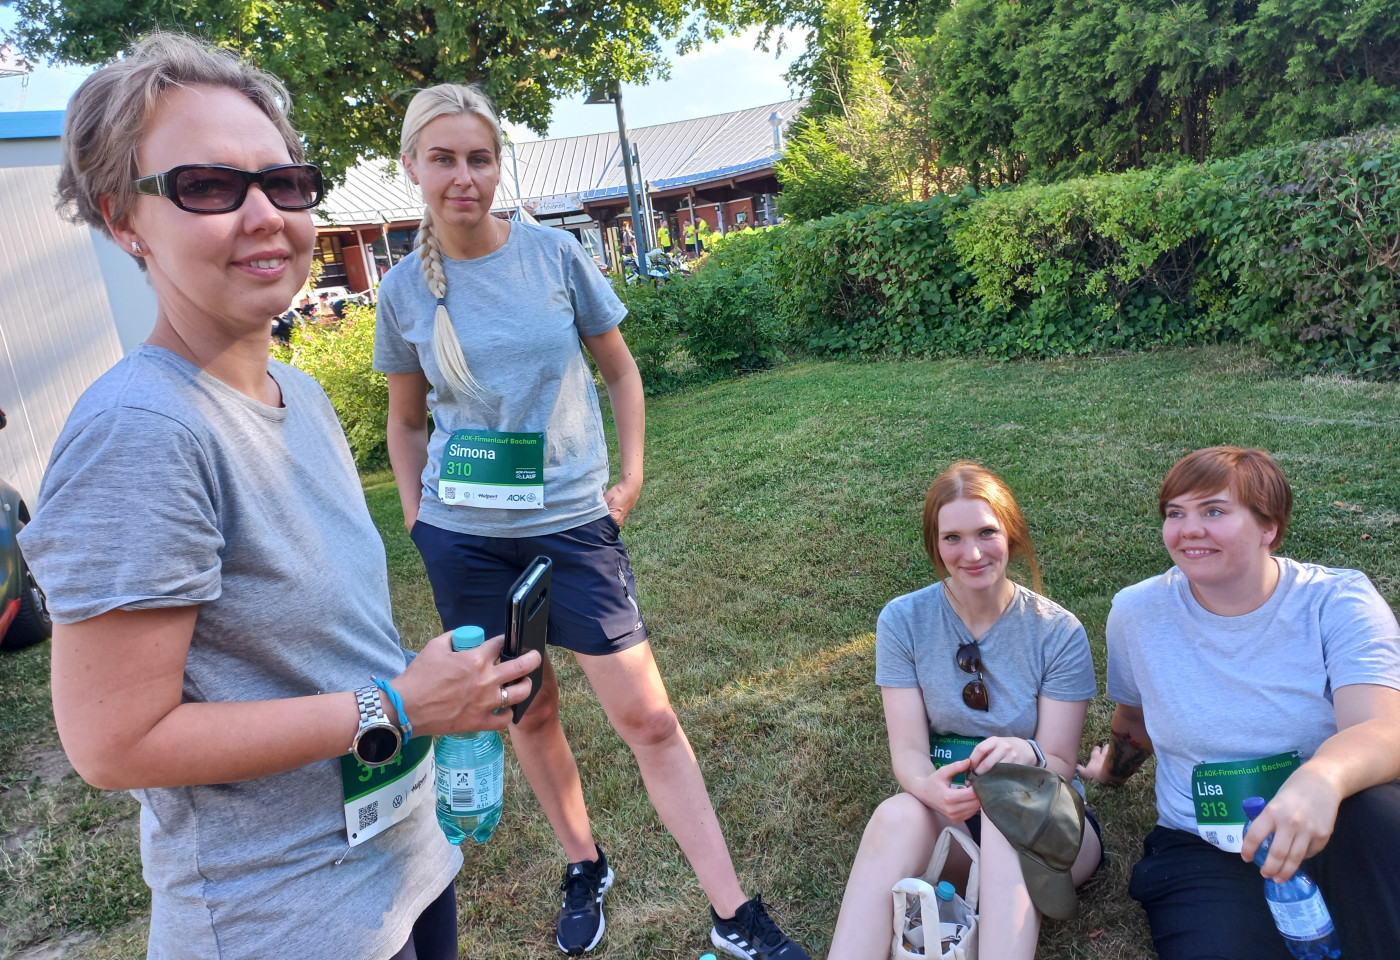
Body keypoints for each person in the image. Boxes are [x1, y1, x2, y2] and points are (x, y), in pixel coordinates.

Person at [17, 33, 540, 960]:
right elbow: (114, 743)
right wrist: (397, 707)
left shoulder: (294, 392)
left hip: (402, 873)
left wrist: (420, 698)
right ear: (121, 217)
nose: (264, 214)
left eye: (284, 182)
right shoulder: (142, 432)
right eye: (208, 187)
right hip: (284, 920)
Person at [372, 82, 809, 960]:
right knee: (528, 714)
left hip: (572, 524)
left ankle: (733, 916)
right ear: (413, 167)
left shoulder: (554, 256)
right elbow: (406, 421)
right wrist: (422, 522)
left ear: (500, 164)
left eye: (480, 158)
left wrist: (633, 473)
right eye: (444, 158)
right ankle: (585, 863)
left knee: (647, 719)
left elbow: (621, 372)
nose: (464, 177)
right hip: (466, 540)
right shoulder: (401, 291)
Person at [1080, 446, 1400, 960]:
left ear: (1268, 527)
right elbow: (1134, 721)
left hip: (1342, 820)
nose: (1188, 529)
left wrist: (1322, 779)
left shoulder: (1338, 603)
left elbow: (1382, 730)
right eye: (1175, 514)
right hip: (1207, 844)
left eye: (1214, 511)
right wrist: (1111, 774)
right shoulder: (1137, 612)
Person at [829, 461, 1103, 960]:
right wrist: (926, 787)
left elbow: (1062, 761)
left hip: (1044, 827)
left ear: (1012, 535)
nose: (971, 553)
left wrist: (1028, 750)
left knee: (1006, 812)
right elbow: (908, 751)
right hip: (947, 814)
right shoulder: (903, 620)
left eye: (986, 533)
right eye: (952, 538)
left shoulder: (1058, 632)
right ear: (935, 545)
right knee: (893, 817)